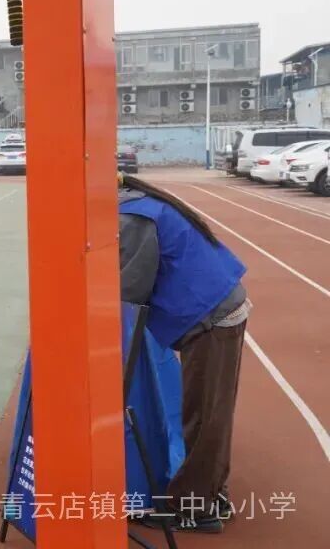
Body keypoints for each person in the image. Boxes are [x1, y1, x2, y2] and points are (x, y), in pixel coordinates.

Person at [119, 173, 250, 534]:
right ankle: (210, 492)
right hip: (215, 306)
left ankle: (194, 509)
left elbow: (130, 289)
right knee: (209, 413)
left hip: (211, 316)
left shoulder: (132, 216)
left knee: (204, 417)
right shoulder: (137, 203)